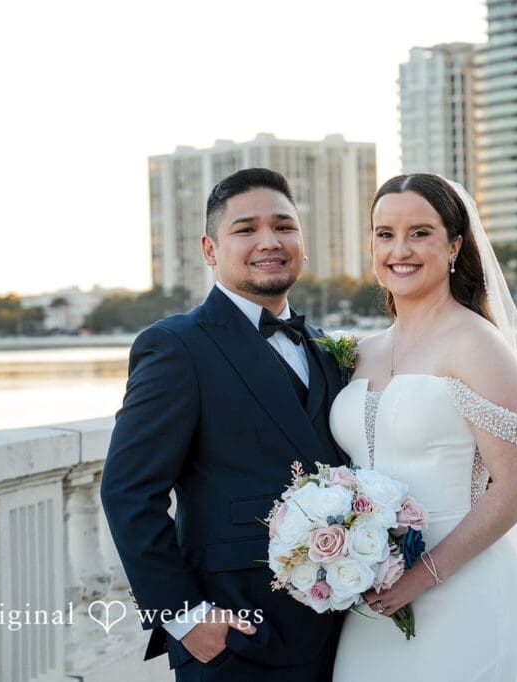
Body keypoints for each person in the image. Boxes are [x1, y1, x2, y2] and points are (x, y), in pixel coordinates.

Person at [329, 174, 517, 681]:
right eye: (384, 233)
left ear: (455, 245)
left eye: (420, 233)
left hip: (461, 593)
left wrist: (419, 578)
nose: (399, 249)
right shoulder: (359, 352)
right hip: (368, 602)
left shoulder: (479, 345)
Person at [100, 168, 348, 681]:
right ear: (210, 249)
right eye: (245, 229)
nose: (269, 242)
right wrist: (186, 618)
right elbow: (128, 492)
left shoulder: (327, 348)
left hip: (342, 629)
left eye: (284, 226)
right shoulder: (176, 346)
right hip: (238, 637)